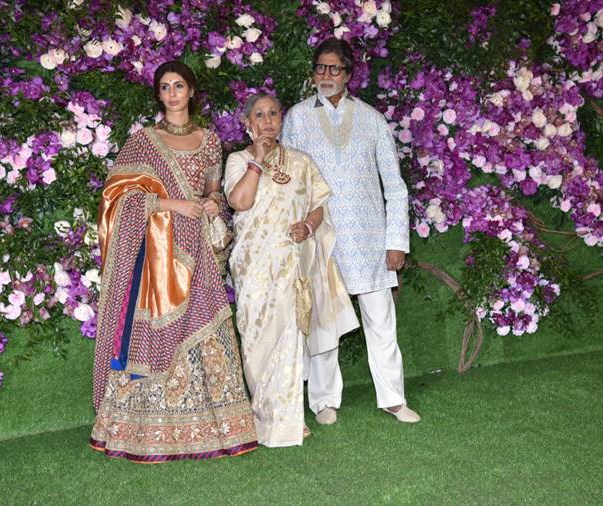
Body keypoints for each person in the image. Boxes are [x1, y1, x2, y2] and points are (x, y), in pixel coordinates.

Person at [90, 60, 258, 463]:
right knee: (157, 335)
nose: (171, 94)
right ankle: (142, 430)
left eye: (178, 85)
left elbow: (214, 192)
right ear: (159, 94)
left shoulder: (211, 139)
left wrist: (210, 204)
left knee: (207, 321)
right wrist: (171, 204)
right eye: (164, 87)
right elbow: (117, 197)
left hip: (198, 247)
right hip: (157, 256)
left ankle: (220, 426)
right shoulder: (145, 141)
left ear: (191, 90)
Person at [281, 38, 421, 424]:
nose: (326, 76)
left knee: (381, 322)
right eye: (320, 68)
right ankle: (324, 401)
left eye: (334, 69)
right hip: (320, 237)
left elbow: (394, 186)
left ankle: (393, 397)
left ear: (349, 74)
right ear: (313, 73)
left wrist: (397, 243)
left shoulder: (373, 119)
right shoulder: (295, 118)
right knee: (325, 324)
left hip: (371, 240)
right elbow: (289, 181)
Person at [225, 93, 358, 447]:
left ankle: (286, 417)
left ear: (281, 119)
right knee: (255, 339)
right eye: (259, 115)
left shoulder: (301, 162)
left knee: (288, 336)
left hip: (290, 264)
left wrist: (309, 228)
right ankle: (262, 413)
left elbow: (318, 206)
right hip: (253, 266)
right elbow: (240, 201)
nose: (267, 121)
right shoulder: (238, 160)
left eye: (273, 114)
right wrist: (258, 160)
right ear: (247, 123)